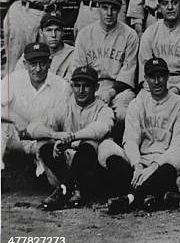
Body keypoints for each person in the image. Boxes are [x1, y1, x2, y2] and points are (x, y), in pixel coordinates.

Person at [99, 58, 180, 213]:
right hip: (139, 163)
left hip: (163, 164)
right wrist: (137, 166)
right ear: (146, 79)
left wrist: (155, 166)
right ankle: (149, 195)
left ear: (168, 76)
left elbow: (178, 146)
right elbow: (130, 140)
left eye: (161, 76)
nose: (157, 81)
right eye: (152, 77)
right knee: (106, 147)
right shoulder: (138, 103)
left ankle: (130, 198)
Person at [27, 66, 114, 210]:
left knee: (90, 143)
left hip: (90, 169)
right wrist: (54, 135)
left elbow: (101, 128)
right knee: (43, 142)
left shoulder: (102, 108)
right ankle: (72, 189)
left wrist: (72, 138)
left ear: (96, 87)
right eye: (77, 85)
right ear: (72, 86)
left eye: (86, 86)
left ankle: (64, 189)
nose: (81, 91)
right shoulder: (65, 106)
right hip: (67, 167)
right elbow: (33, 127)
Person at [73, 0, 139, 125]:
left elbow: (128, 72)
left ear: (120, 10)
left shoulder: (130, 35)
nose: (109, 13)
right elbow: (78, 69)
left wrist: (110, 93)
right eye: (105, 8)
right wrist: (92, 92)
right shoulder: (85, 34)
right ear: (98, 8)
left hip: (119, 89)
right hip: (90, 86)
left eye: (114, 8)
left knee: (123, 113)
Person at [1, 43, 68, 171]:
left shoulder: (62, 86)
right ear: (25, 64)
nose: (38, 69)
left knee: (52, 177)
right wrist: (15, 119)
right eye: (33, 64)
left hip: (44, 140)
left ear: (50, 62)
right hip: (15, 138)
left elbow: (62, 121)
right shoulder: (13, 80)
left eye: (42, 63)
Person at [138, 0, 180, 128]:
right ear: (159, 8)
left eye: (174, 2)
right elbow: (144, 70)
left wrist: (176, 89)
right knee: (140, 108)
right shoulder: (150, 32)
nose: (170, 7)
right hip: (154, 83)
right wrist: (156, 89)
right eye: (165, 3)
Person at [14, 11, 74, 81]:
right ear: (41, 33)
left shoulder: (72, 54)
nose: (53, 35)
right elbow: (17, 79)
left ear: (63, 32)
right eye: (49, 30)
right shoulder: (31, 52)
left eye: (57, 30)